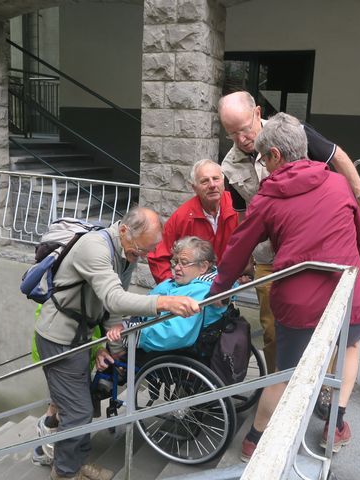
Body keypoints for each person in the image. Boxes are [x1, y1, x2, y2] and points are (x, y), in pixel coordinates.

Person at [208, 112, 360, 460]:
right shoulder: (337, 183)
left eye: (263, 158)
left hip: (300, 306)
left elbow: (239, 250)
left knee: (286, 373)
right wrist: (352, 264)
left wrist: (217, 292)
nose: (262, 166)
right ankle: (335, 424)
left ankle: (255, 439)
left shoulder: (267, 200)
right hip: (351, 294)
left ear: (275, 157)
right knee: (349, 348)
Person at [34, 207, 200, 480]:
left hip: (82, 337)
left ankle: (74, 465)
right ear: (124, 231)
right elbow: (112, 298)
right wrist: (164, 302)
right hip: (58, 338)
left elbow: (111, 308)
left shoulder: (124, 252)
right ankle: (64, 474)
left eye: (146, 251)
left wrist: (112, 349)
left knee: (82, 407)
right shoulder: (94, 248)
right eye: (139, 251)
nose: (141, 257)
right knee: (77, 412)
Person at [106, 236, 227, 352]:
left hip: (153, 347)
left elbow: (175, 333)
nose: (177, 268)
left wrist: (131, 331)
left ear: (203, 267)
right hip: (139, 329)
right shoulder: (182, 282)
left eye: (184, 262)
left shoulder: (199, 291)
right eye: (176, 262)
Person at [147, 159, 238, 285]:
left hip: (231, 284)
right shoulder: (182, 216)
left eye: (216, 179)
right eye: (204, 181)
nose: (212, 185)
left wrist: (247, 270)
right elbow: (157, 256)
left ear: (223, 182)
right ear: (194, 188)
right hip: (194, 291)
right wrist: (172, 286)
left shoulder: (239, 207)